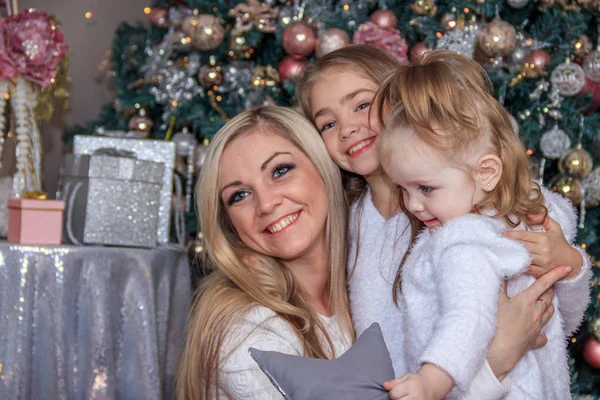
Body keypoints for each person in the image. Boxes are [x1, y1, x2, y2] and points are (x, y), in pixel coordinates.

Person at [297, 44, 590, 398]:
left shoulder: (473, 208)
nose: (346, 129)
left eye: (361, 105)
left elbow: (556, 322)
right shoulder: (347, 221)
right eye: (328, 123)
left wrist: (570, 266)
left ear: (405, 103)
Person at [176, 106, 354, 399]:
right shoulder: (250, 330)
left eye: (280, 171)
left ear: (323, 167)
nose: (266, 204)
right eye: (240, 195)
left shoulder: (363, 284)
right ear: (230, 225)